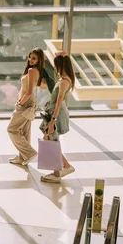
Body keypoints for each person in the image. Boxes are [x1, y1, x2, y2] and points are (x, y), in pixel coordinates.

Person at [39, 51, 76, 183]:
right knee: (49, 139)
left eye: (56, 66)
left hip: (57, 113)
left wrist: (52, 122)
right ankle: (60, 169)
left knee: (51, 140)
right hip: (56, 112)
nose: (54, 68)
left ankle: (62, 169)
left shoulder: (64, 82)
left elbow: (59, 102)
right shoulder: (66, 79)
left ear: (61, 66)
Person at [7, 48, 45, 166]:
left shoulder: (32, 70)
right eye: (30, 57)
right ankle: (22, 157)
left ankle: (29, 153)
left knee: (12, 129)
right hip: (29, 102)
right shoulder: (36, 70)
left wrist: (20, 103)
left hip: (26, 103)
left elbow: (29, 91)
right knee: (24, 131)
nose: (30, 60)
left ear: (39, 60)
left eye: (34, 58)